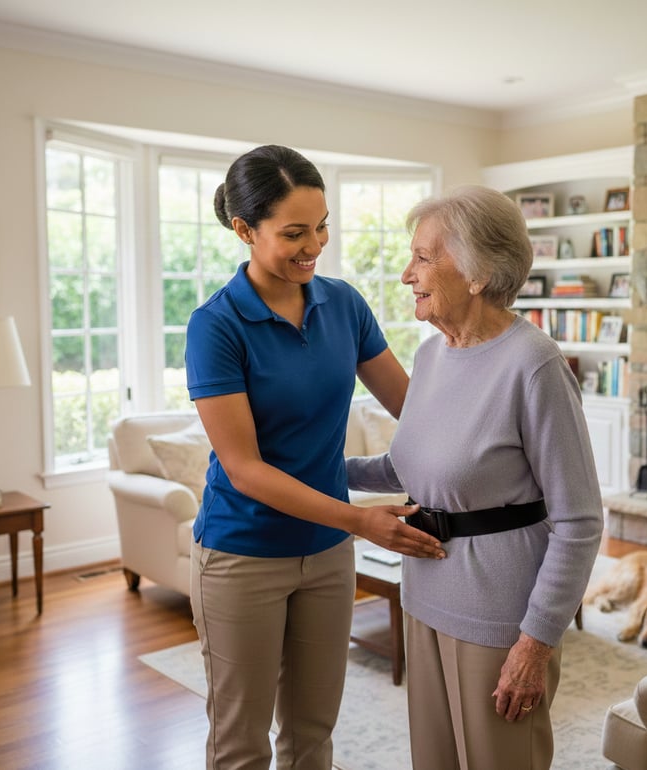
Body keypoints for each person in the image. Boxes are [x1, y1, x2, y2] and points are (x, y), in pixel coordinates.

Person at [185, 144, 444, 770]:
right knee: (240, 745)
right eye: (294, 233)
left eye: (322, 225)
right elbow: (244, 469)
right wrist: (360, 518)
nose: (314, 245)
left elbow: (414, 406)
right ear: (244, 230)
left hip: (326, 557)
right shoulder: (215, 326)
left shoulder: (343, 304)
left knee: (311, 735)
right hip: (241, 556)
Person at [346, 185, 604, 770]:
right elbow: (409, 468)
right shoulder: (433, 355)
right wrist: (313, 472)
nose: (407, 273)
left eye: (424, 257)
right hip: (425, 596)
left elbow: (580, 522)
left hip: (500, 616)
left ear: (480, 273)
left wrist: (535, 643)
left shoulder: (534, 364)